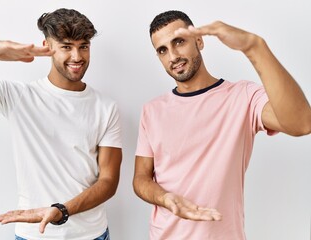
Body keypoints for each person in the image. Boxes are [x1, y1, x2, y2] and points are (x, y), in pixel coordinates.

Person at [133, 10, 311, 240]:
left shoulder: (243, 96)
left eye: (179, 42)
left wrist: (254, 47)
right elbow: (141, 179)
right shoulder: (152, 110)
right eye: (162, 50)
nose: (173, 56)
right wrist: (164, 198)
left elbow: (302, 123)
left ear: (199, 41)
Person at [0, 8, 122, 240]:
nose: (77, 56)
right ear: (47, 46)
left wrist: (62, 210)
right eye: (66, 46)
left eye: (83, 46)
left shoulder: (105, 107)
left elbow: (108, 181)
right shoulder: (17, 96)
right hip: (34, 235)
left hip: (91, 234)